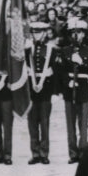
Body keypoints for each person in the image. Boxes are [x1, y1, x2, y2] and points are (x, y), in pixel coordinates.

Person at [59, 21, 88, 163]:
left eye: (79, 32)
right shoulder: (65, 50)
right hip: (69, 89)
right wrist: (66, 81)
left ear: (84, 34)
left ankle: (83, 151)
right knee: (70, 122)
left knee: (83, 122)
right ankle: (73, 153)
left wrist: (82, 63)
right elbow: (60, 70)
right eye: (73, 32)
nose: (76, 35)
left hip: (83, 89)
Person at [25, 21, 60, 164]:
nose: (37, 35)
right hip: (31, 89)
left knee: (44, 122)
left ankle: (44, 153)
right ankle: (35, 153)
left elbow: (55, 70)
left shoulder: (51, 49)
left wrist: (56, 91)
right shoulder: (28, 49)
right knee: (32, 122)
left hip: (45, 88)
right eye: (34, 32)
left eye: (39, 32)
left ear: (45, 33)